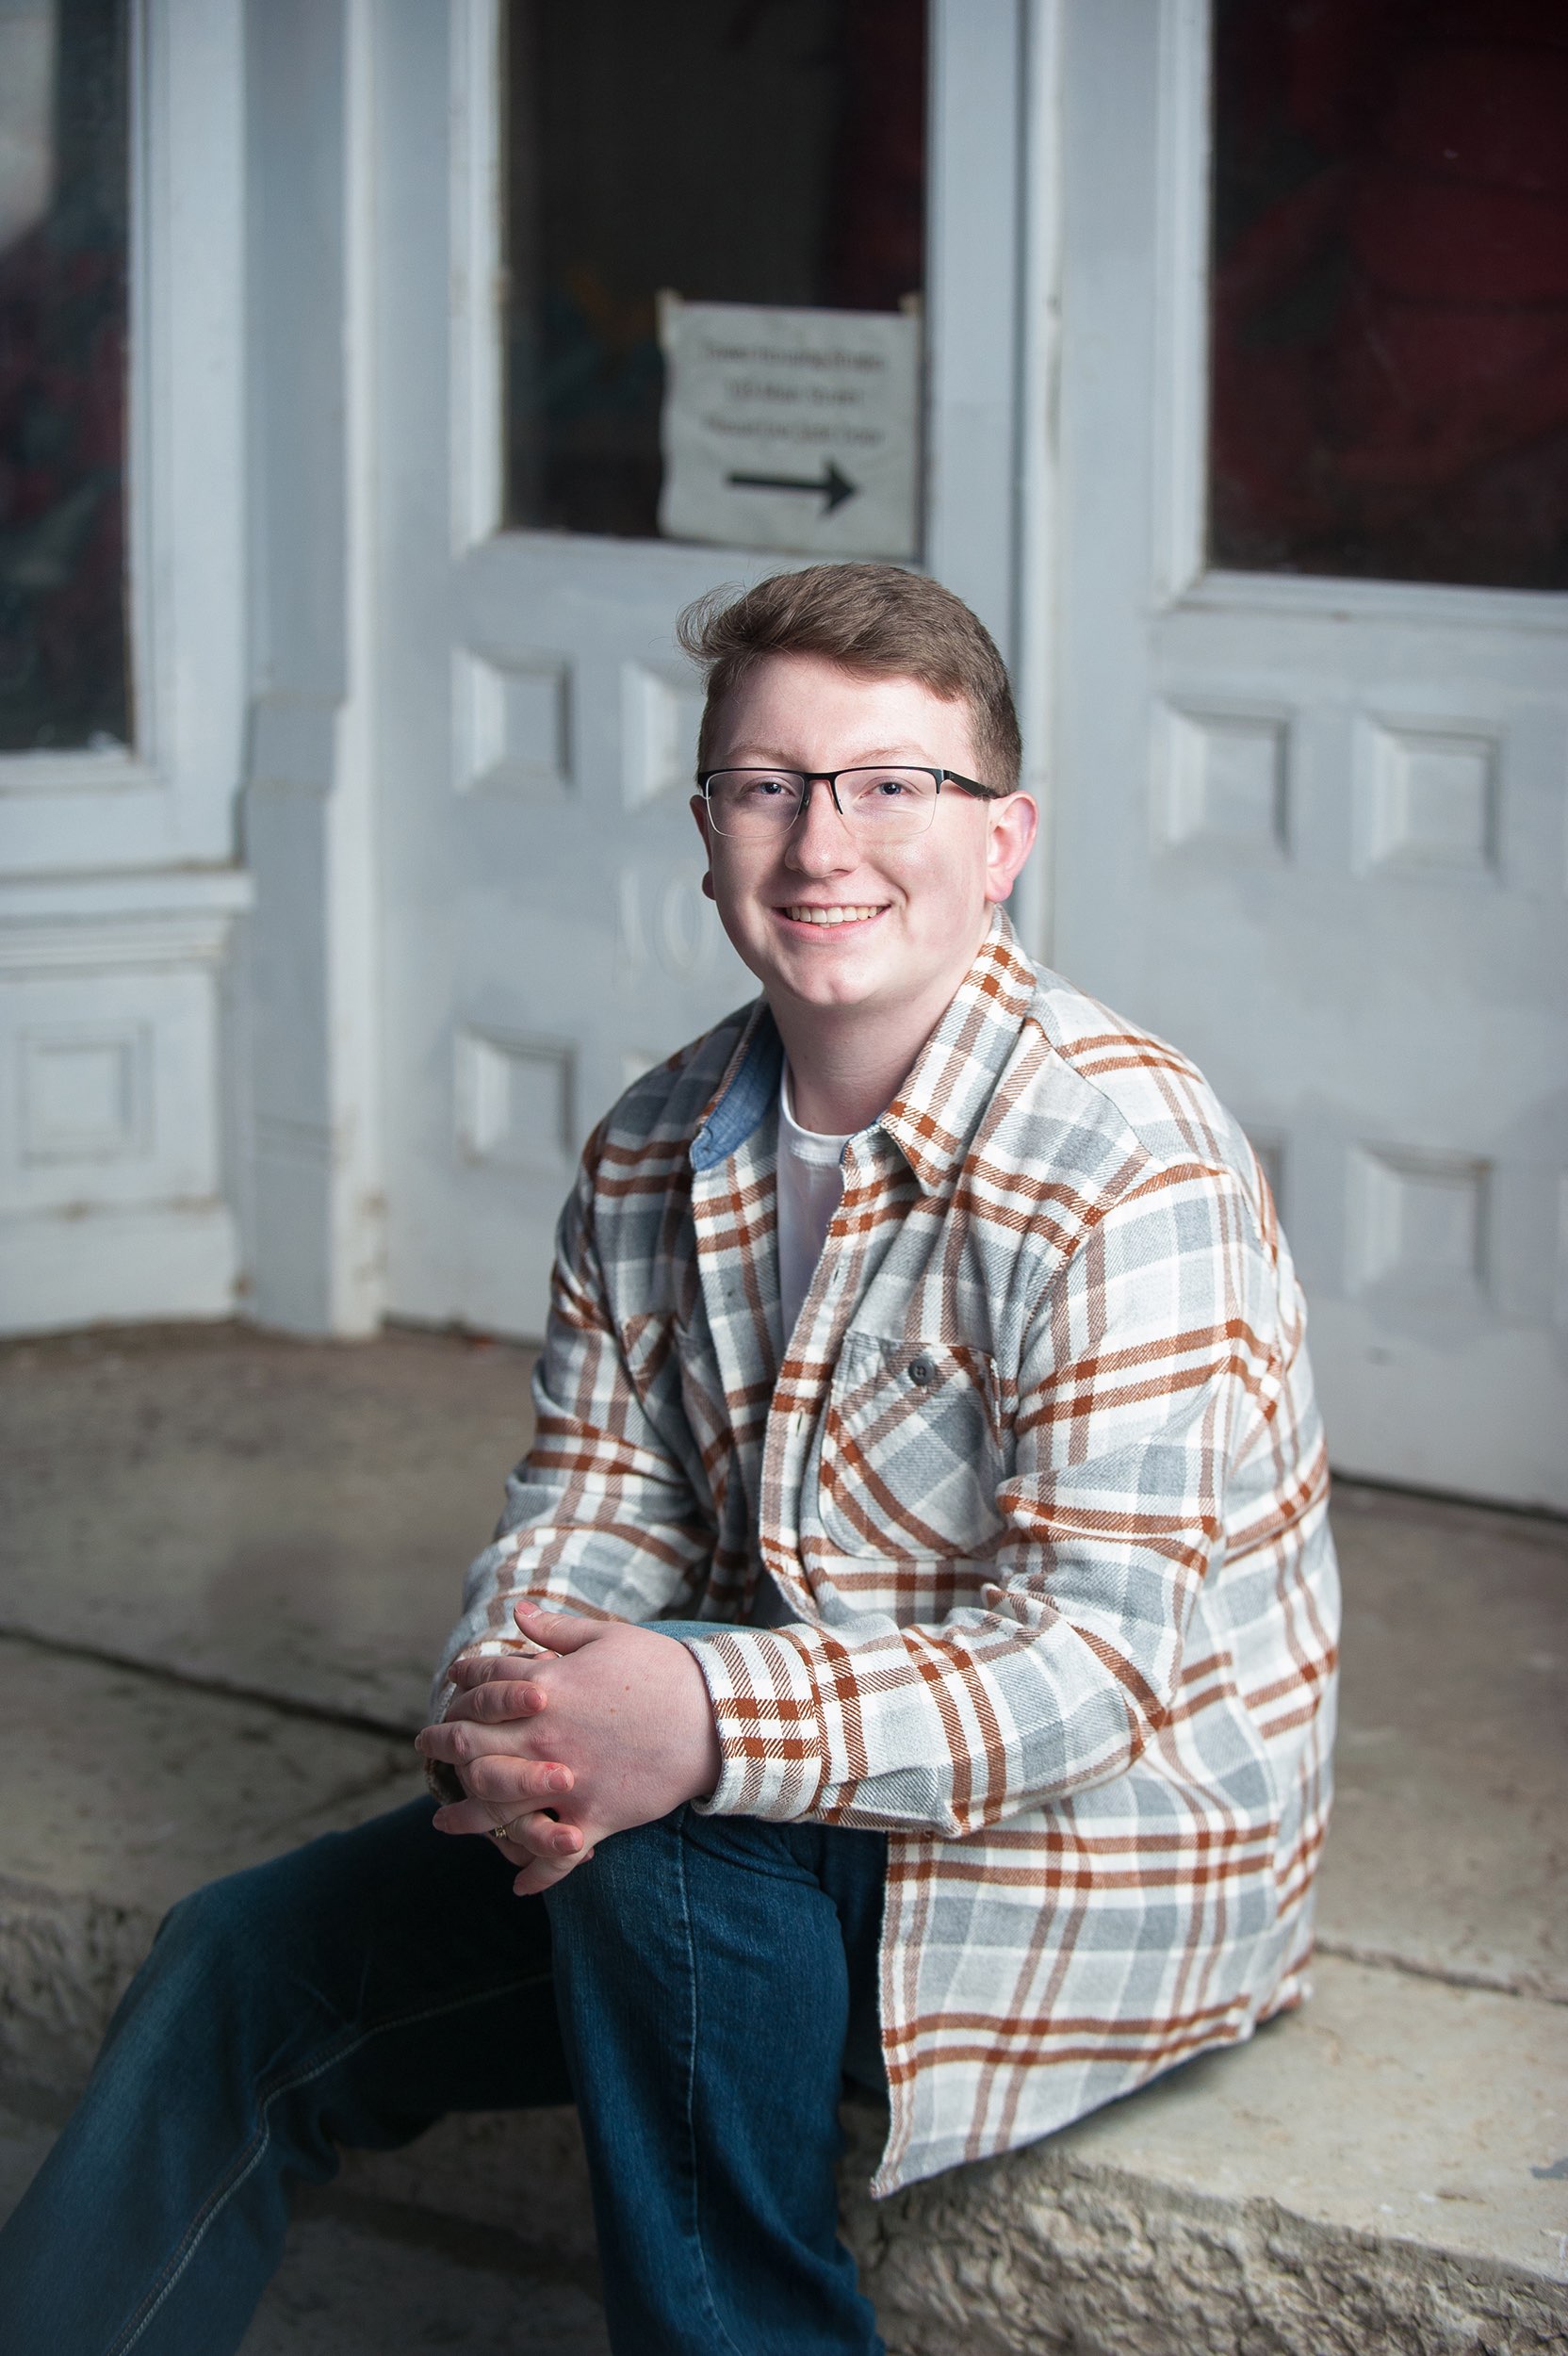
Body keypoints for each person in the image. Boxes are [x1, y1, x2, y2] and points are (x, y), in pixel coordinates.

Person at [0, 564, 1339, 2356]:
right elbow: (588, 1510)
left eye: (890, 785)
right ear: (706, 832)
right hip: (753, 1834)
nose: (820, 842)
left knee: (668, 1815)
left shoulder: (1127, 1161)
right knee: (242, 1965)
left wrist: (690, 1723)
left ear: (1002, 839)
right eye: (766, 785)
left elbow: (1097, 1667)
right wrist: (524, 1711)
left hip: (1061, 1861)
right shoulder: (653, 1144)